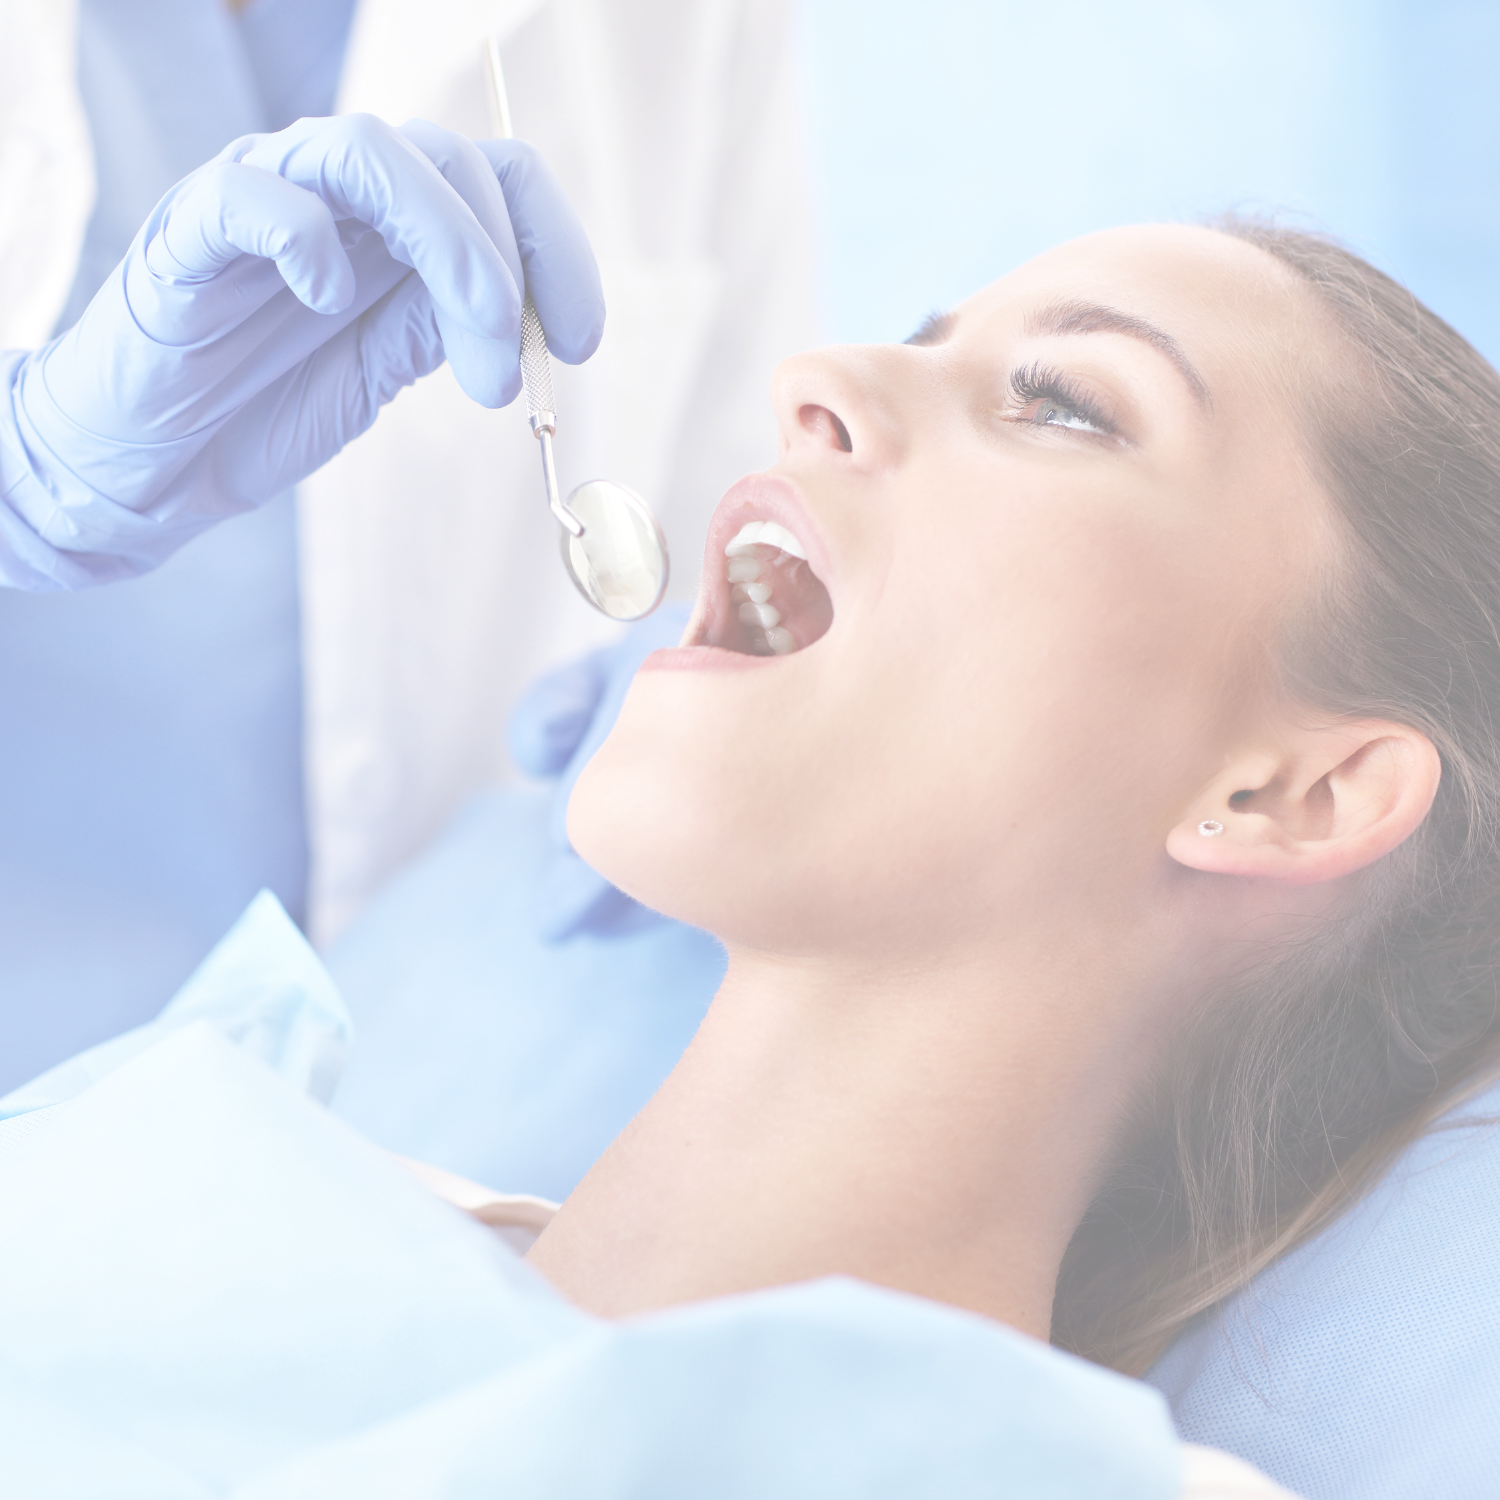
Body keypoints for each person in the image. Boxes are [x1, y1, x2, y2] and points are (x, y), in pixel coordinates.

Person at [517, 215, 1500, 1420]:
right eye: (921, 341)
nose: (813, 381)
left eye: (1063, 405)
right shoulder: (325, 1243)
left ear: (1296, 796)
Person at [0, 0, 815, 1089]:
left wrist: (694, 674)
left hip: (425, 1102)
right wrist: (23, 476)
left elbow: (732, 496)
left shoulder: (688, 27)